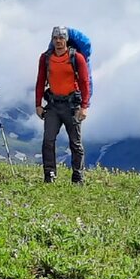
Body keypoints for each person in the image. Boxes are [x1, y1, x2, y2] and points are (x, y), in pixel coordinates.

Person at [35, 25, 90, 183]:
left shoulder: (76, 58)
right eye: (55, 38)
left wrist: (84, 106)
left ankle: (77, 176)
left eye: (61, 38)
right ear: (52, 40)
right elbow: (40, 81)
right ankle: (49, 175)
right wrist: (38, 104)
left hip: (72, 106)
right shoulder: (45, 58)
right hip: (52, 104)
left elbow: (84, 82)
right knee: (48, 140)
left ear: (66, 40)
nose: (58, 41)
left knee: (75, 142)